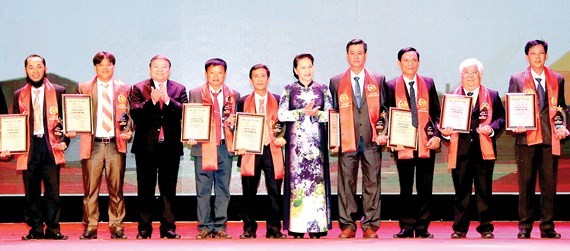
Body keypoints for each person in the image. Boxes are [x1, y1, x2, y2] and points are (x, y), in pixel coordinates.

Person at [2, 54, 70, 240]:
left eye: (39, 66)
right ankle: (36, 229)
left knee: (52, 191)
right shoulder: (19, 95)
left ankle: (54, 228)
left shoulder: (58, 90)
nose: (35, 70)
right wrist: (8, 146)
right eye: (31, 67)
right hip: (29, 147)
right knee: (31, 192)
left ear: (45, 68)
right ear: (26, 70)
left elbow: (66, 121)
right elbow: (14, 124)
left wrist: (65, 139)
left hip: (51, 145)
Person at [508, 40, 568, 239]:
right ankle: (524, 227)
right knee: (526, 185)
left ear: (546, 56)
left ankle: (547, 226)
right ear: (527, 57)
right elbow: (512, 106)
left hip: (550, 139)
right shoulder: (517, 78)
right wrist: (514, 123)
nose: (537, 57)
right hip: (526, 139)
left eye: (541, 53)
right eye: (533, 53)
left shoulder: (557, 79)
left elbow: (562, 107)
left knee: (549, 185)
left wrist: (563, 125)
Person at [440, 58, 505, 239]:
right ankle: (460, 228)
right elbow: (442, 122)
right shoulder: (451, 96)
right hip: (460, 151)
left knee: (484, 190)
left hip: (483, 150)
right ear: (461, 75)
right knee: (462, 191)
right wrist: (445, 132)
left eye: (474, 72)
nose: (470, 76)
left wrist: (491, 128)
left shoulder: (492, 95)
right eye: (466, 72)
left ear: (480, 75)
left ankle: (486, 227)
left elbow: (501, 118)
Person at [329, 39, 387, 239]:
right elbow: (333, 113)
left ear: (365, 55)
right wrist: (334, 140)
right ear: (347, 56)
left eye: (359, 53)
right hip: (347, 140)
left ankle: (370, 224)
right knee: (346, 183)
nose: (356, 57)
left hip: (372, 140)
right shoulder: (336, 81)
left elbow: (385, 111)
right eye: (352, 53)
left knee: (373, 183)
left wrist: (383, 132)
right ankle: (348, 225)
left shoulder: (378, 79)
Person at [129, 55, 187, 239]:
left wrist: (168, 100)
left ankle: (168, 227)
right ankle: (144, 229)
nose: (160, 70)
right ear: (149, 69)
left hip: (170, 147)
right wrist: (151, 101)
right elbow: (135, 113)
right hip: (146, 148)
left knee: (168, 190)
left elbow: (185, 113)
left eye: (164, 67)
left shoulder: (179, 88)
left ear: (169, 70)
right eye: (156, 67)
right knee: (145, 189)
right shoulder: (138, 88)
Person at [385, 47, 441, 239]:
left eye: (414, 60)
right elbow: (386, 113)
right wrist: (390, 137)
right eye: (406, 60)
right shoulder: (391, 85)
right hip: (402, 144)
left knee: (425, 186)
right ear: (398, 63)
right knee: (406, 186)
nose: (410, 63)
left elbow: (436, 113)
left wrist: (437, 135)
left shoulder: (428, 83)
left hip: (426, 142)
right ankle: (407, 226)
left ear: (419, 62)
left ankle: (423, 226)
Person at [76, 51, 132, 240]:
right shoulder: (84, 87)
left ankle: (117, 225)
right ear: (95, 67)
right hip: (94, 145)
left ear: (113, 67)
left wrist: (130, 129)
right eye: (101, 65)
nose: (105, 68)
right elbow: (76, 113)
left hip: (116, 144)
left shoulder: (124, 88)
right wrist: (72, 126)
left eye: (109, 64)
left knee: (116, 190)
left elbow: (129, 116)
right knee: (90, 189)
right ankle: (91, 226)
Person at [279, 53, 333, 239]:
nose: (307, 70)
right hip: (296, 147)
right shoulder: (288, 90)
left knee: (316, 185)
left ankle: (317, 227)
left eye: (309, 66)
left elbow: (331, 116)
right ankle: (298, 227)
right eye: (302, 67)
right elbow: (281, 115)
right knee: (298, 185)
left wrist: (317, 115)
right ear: (295, 70)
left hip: (317, 145)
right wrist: (302, 112)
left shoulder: (323, 89)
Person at [188, 58, 240, 239]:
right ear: (206, 74)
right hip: (203, 148)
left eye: (220, 73)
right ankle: (204, 226)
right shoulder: (195, 93)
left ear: (225, 74)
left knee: (222, 189)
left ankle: (220, 226)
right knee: (202, 189)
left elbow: (237, 124)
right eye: (212, 73)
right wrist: (190, 135)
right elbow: (190, 119)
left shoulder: (234, 95)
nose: (216, 76)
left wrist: (234, 125)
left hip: (225, 147)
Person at [236, 64, 287, 239]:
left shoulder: (279, 100)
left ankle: (274, 229)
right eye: (256, 76)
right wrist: (239, 144)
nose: (259, 79)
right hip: (250, 151)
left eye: (263, 76)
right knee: (249, 192)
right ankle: (249, 229)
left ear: (268, 78)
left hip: (272, 150)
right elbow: (237, 126)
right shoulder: (242, 101)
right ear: (251, 80)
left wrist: (282, 136)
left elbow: (284, 123)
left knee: (274, 191)